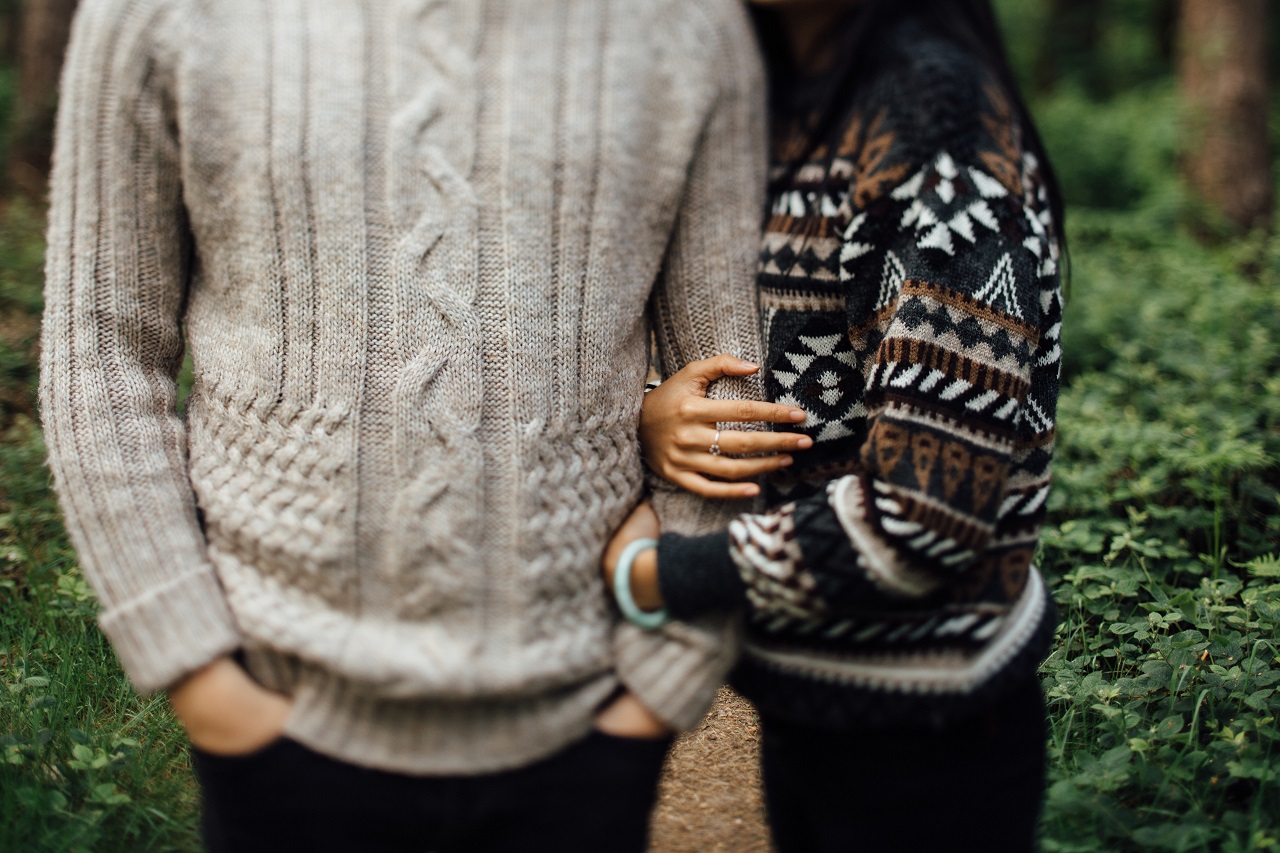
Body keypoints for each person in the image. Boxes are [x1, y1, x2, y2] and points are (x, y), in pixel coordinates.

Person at [39, 1, 774, 850]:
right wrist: (199, 675)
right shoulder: (159, 14)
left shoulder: (687, 27)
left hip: (586, 732)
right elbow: (102, 348)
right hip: (277, 723)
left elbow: (730, 372)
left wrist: (664, 681)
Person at [604, 1, 1065, 850]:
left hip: (927, 737)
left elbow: (924, 517)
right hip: (812, 705)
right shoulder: (786, 97)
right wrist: (657, 408)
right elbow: (764, 346)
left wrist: (650, 576)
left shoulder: (933, 118)